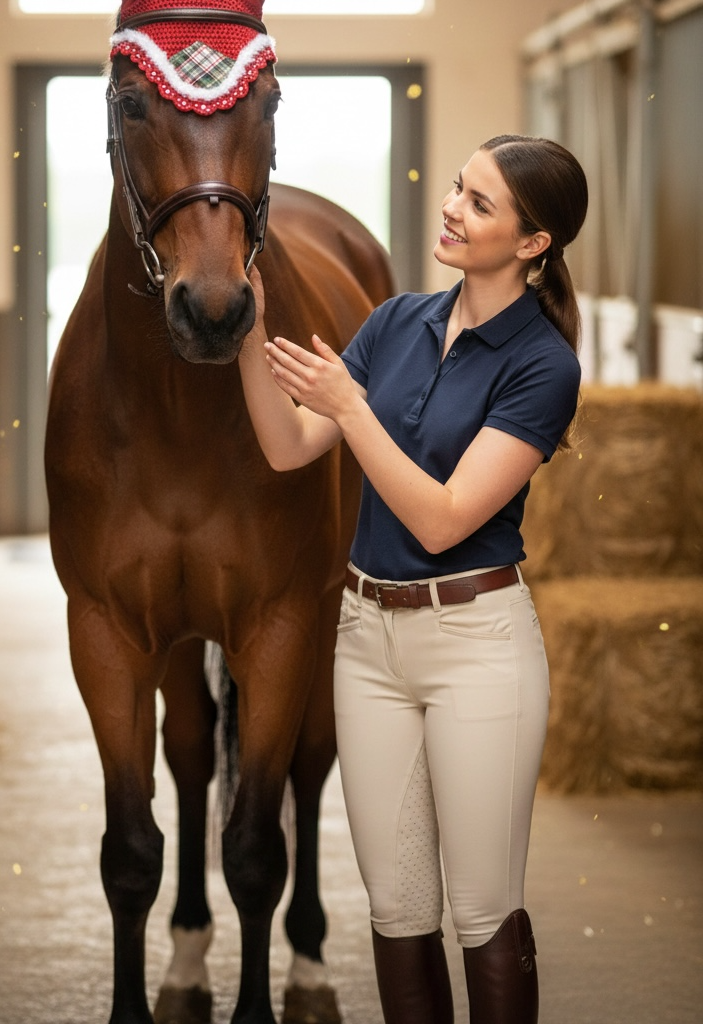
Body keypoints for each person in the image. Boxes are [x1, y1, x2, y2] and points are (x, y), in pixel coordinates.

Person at [238, 134, 589, 1024]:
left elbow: (441, 519)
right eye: (457, 189)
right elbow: (287, 447)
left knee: (480, 909)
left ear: (532, 243)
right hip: (367, 641)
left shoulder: (543, 366)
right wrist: (248, 331)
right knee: (397, 909)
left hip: (476, 645)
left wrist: (351, 407)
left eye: (479, 204)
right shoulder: (397, 321)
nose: (452, 208)